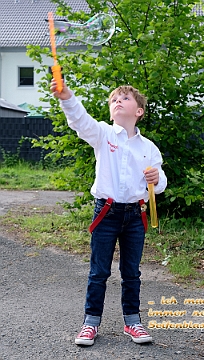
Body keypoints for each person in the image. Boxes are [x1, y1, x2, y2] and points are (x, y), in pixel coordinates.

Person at [50, 80, 167, 346]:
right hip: (106, 212)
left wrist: (156, 177)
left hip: (136, 216)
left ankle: (133, 322)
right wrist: (66, 96)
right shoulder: (102, 134)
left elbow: (160, 186)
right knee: (98, 272)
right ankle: (90, 323)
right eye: (114, 99)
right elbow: (80, 121)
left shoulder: (148, 147)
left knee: (132, 272)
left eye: (124, 99)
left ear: (139, 111)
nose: (117, 102)